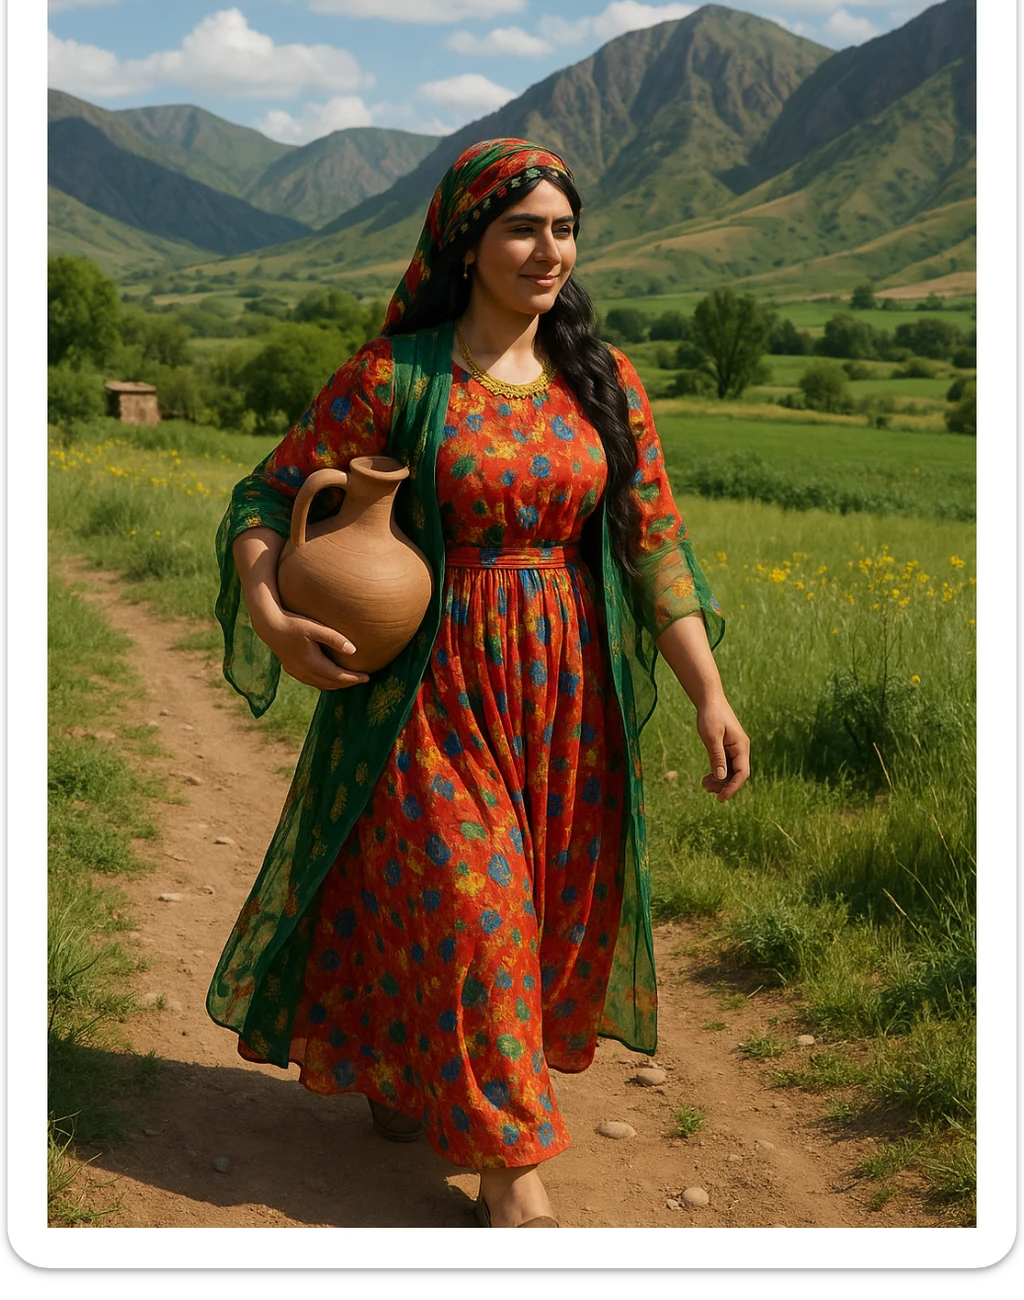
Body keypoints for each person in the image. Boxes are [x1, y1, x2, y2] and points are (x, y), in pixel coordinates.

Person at [207, 138, 750, 1229]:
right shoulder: (394, 375)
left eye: (562, 227)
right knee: (474, 904)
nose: (546, 250)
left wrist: (707, 691)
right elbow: (266, 498)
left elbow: (652, 545)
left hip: (567, 693)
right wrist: (273, 617)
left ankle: (412, 1066)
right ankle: (513, 1177)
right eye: (520, 227)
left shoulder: (602, 382)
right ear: (467, 243)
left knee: (536, 915)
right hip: (426, 690)